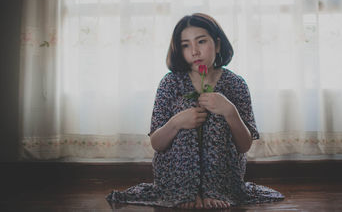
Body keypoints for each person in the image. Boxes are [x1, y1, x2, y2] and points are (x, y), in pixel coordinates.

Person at [106, 13, 284, 209]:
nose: (194, 51)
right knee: (184, 108)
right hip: (175, 180)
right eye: (185, 45)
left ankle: (215, 190)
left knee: (218, 115)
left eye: (201, 42)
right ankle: (185, 191)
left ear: (216, 44)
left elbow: (244, 146)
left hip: (224, 179)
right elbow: (157, 144)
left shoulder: (235, 84)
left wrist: (230, 111)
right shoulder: (170, 83)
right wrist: (176, 122)